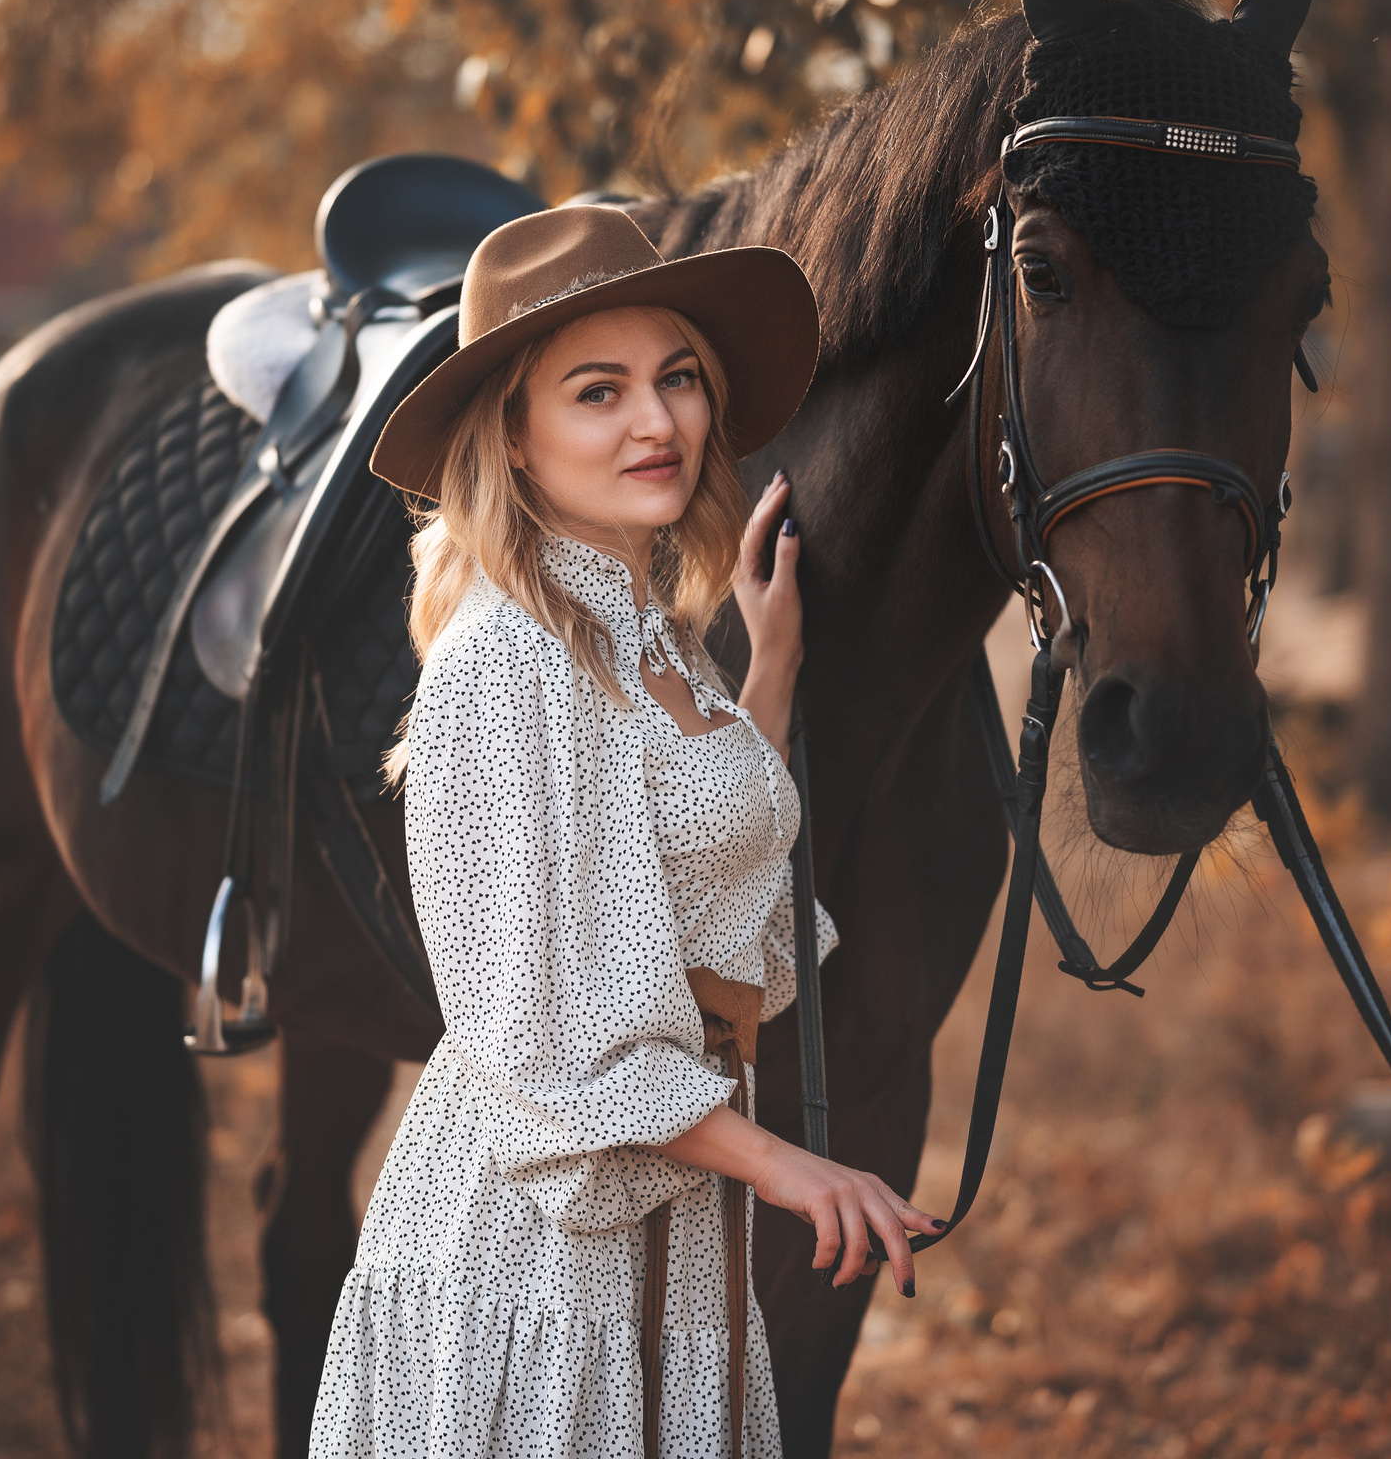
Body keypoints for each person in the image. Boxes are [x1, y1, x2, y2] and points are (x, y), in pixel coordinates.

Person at [309, 206, 944, 1458]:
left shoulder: (651, 638)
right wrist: (789, 1167)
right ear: (514, 436)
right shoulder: (504, 662)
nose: (656, 422)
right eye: (597, 392)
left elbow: (710, 886)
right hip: (529, 1252)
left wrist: (770, 666)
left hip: (673, 1230)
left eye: (677, 379)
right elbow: (549, 1042)